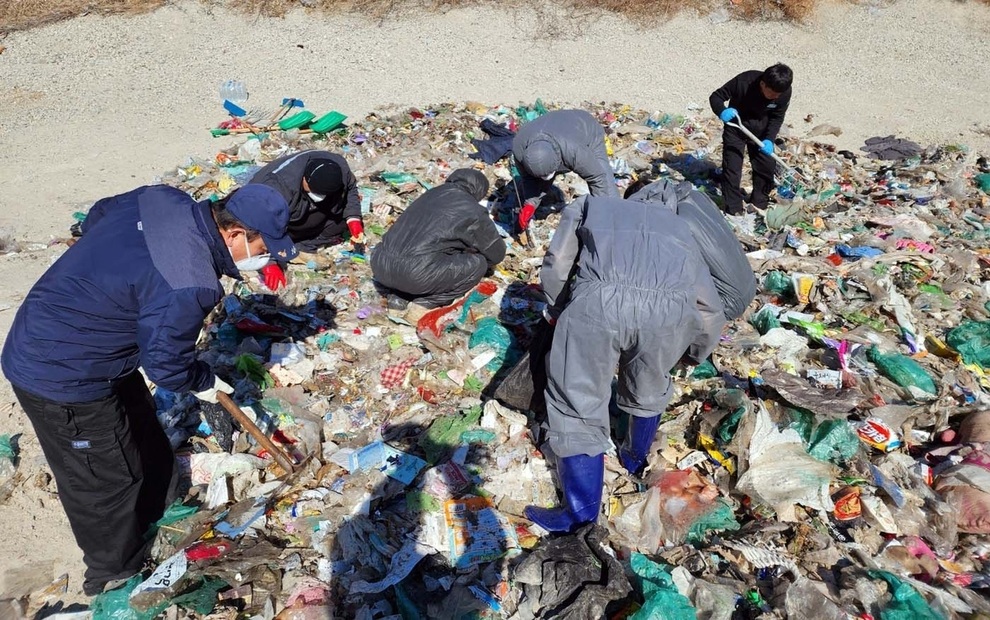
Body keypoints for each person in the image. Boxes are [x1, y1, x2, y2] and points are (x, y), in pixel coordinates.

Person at [1, 183, 296, 596]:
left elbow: (98, 214)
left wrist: (118, 281)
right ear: (234, 234)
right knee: (107, 478)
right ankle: (113, 573)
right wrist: (204, 381)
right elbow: (165, 365)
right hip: (61, 371)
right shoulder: (193, 281)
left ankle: (166, 509)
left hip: (94, 343)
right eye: (262, 248)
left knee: (145, 435)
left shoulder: (162, 199)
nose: (263, 259)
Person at [523, 186, 727, 534]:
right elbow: (710, 310)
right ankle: (633, 458)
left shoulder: (592, 206)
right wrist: (693, 354)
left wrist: (559, 309)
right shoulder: (682, 230)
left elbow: (556, 264)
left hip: (598, 304)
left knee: (577, 401)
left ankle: (580, 515)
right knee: (649, 385)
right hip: (668, 315)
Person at [371, 169, 505, 319]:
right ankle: (425, 303)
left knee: (422, 258)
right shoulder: (472, 209)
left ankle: (398, 298)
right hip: (415, 275)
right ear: (479, 191)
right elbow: (497, 253)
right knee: (478, 264)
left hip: (379, 264)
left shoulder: (430, 194)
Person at [250, 150, 363, 289]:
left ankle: (302, 247)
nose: (319, 196)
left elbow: (351, 190)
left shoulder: (340, 169)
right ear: (304, 178)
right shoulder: (276, 187)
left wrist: (353, 218)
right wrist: (268, 262)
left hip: (309, 212)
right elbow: (256, 223)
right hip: (281, 221)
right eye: (314, 191)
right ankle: (285, 246)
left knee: (341, 221)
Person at [709, 63, 793, 215]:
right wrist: (721, 111)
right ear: (763, 84)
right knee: (732, 168)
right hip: (736, 126)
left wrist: (769, 139)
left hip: (761, 131)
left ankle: (759, 204)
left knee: (766, 167)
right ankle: (733, 208)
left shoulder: (783, 92)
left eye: (779, 94)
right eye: (772, 93)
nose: (776, 97)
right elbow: (716, 96)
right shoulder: (744, 81)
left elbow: (777, 117)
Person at [511, 109, 618, 208]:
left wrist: (601, 211)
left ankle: (616, 210)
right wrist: (530, 205)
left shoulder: (572, 150)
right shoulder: (519, 150)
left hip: (585, 127)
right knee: (535, 185)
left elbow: (597, 178)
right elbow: (529, 179)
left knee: (604, 177)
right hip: (555, 127)